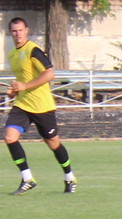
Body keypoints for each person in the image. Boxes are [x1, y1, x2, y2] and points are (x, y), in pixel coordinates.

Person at [4, 17, 76, 194]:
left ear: (26, 30)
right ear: (10, 33)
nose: (17, 34)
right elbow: (23, 79)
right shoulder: (12, 54)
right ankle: (27, 178)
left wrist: (26, 86)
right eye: (14, 31)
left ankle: (69, 177)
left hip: (42, 106)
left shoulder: (33, 50)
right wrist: (16, 91)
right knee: (9, 137)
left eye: (20, 30)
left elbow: (50, 74)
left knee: (53, 143)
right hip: (22, 104)